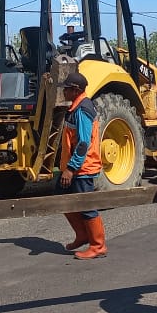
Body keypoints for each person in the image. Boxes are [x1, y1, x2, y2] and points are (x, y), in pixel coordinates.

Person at [56, 72, 107, 260]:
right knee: (60, 197)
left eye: (66, 89)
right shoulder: (76, 107)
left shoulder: (83, 110)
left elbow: (83, 143)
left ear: (75, 90)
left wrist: (71, 169)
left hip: (82, 168)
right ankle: (82, 235)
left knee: (86, 206)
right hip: (74, 167)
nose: (64, 92)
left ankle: (98, 246)